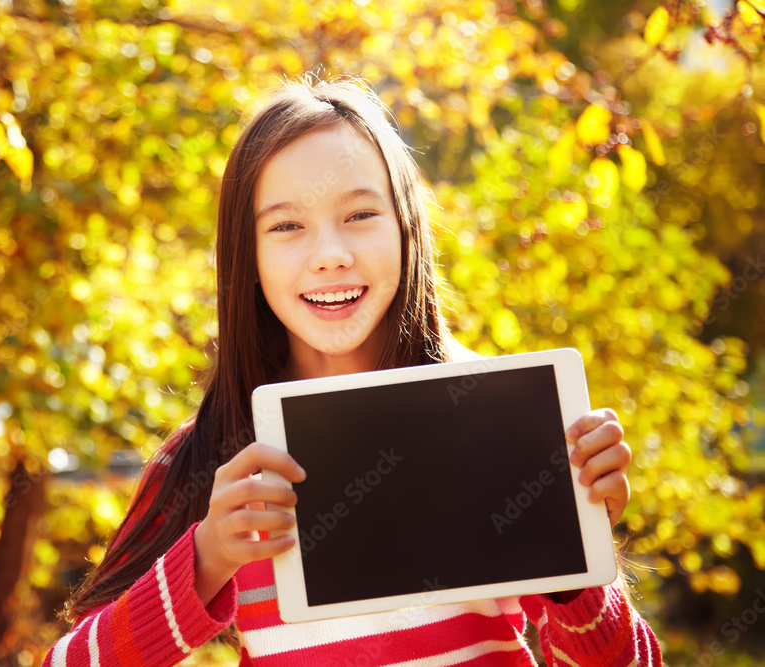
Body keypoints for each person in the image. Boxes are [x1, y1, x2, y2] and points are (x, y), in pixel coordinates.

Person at [43, 76, 662, 666]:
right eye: (286, 226)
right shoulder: (213, 459)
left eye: (360, 215)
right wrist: (207, 556)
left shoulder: (495, 416)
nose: (330, 255)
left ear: (405, 228)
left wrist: (576, 556)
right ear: (247, 253)